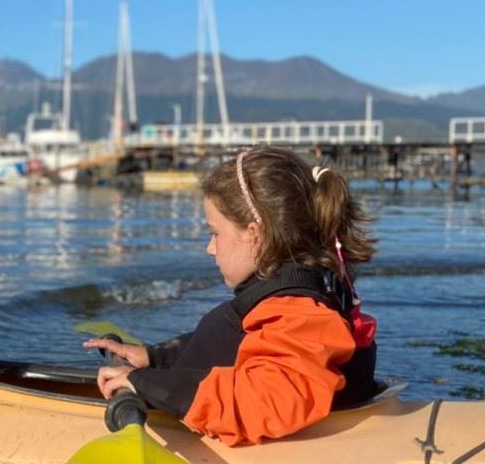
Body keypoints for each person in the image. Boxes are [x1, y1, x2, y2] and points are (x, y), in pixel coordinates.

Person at [85, 147, 378, 446]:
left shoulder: (300, 312)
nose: (210, 248)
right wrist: (155, 358)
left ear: (255, 233)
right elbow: (238, 343)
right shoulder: (287, 300)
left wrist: (148, 385)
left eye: (215, 233)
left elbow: (271, 400)